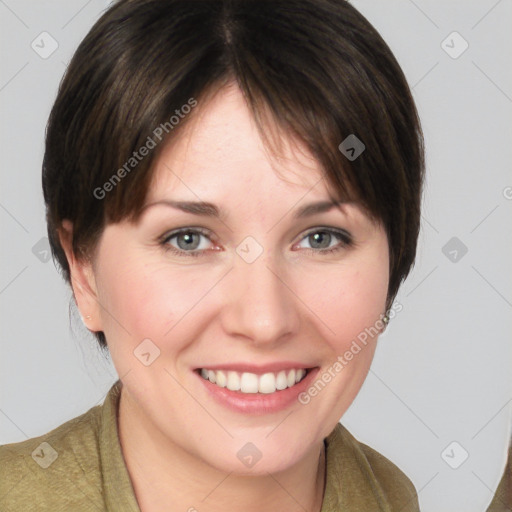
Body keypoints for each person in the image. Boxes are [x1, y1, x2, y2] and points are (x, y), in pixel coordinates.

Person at [0, 0, 425, 510]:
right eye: (188, 239)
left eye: (320, 237)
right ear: (83, 270)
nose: (264, 320)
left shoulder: (392, 496)